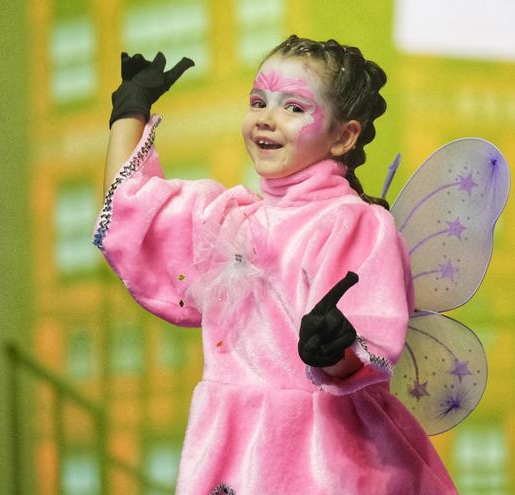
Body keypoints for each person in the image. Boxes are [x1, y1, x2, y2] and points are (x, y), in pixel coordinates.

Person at [93, 35, 458, 493]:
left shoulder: (352, 223)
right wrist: (129, 111)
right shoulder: (228, 222)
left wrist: (333, 353)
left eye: (294, 107)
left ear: (344, 135)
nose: (266, 118)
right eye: (258, 101)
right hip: (233, 455)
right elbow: (131, 212)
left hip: (323, 457)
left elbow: (366, 353)